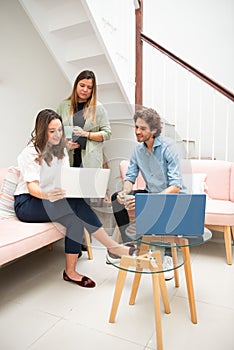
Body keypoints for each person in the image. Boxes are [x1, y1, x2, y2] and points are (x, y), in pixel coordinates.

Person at [14, 109, 137, 288]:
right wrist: (48, 195)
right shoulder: (30, 152)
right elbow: (32, 187)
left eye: (59, 130)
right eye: (52, 131)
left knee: (76, 218)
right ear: (42, 131)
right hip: (28, 202)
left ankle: (70, 272)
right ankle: (113, 247)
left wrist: (92, 189)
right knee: (76, 206)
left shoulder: (61, 152)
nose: (57, 135)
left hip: (49, 198)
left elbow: (65, 180)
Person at [111, 107, 183, 280]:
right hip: (152, 193)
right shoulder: (137, 151)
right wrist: (124, 192)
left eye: (142, 128)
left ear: (154, 130)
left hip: (170, 196)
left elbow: (176, 186)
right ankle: (130, 247)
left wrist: (149, 200)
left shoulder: (168, 148)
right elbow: (130, 178)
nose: (137, 132)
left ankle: (165, 257)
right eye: (136, 127)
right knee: (115, 199)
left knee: (161, 204)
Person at [56, 70, 111, 168]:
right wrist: (66, 141)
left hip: (90, 161)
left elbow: (107, 134)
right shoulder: (63, 106)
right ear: (76, 85)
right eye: (82, 85)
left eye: (89, 87)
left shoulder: (98, 108)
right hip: (68, 158)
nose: (85, 89)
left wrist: (85, 134)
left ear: (92, 90)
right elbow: (56, 131)